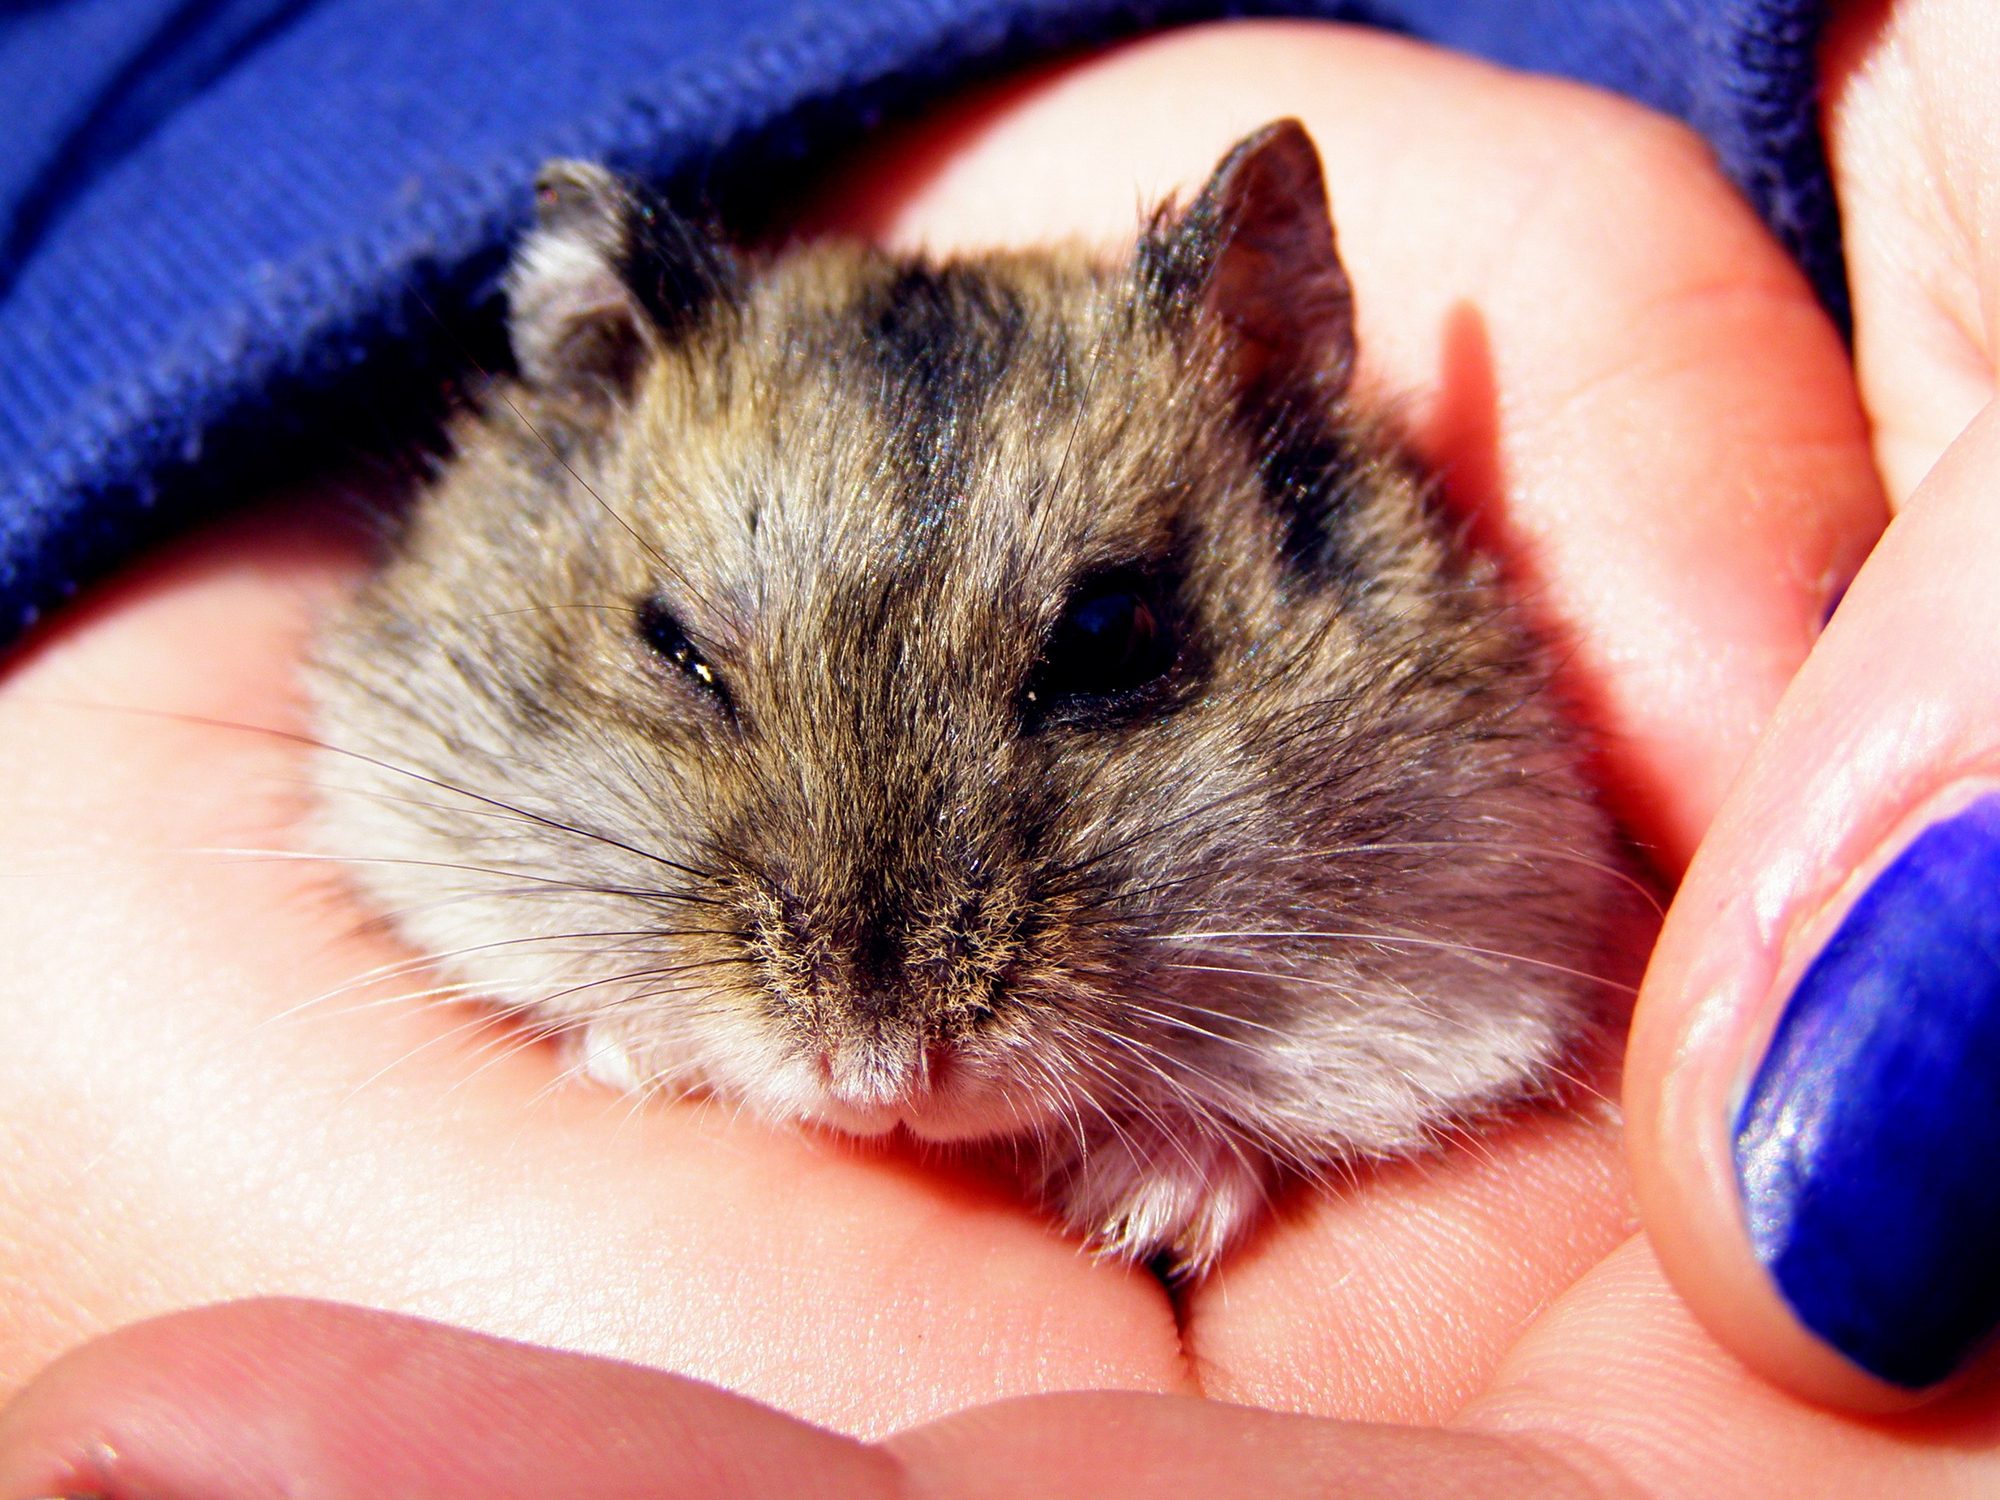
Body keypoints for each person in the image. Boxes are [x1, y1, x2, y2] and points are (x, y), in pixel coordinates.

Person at [2, 0, 1995, 1493]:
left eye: (1101, 654)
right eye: (701, 674)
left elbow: (1493, 958)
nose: (876, 1005)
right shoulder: (518, 579)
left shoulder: (1368, 598)